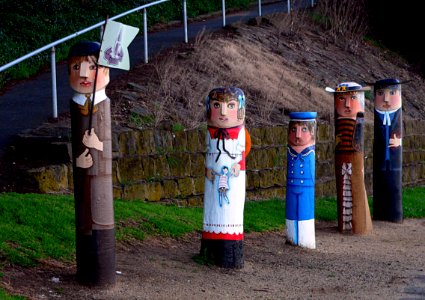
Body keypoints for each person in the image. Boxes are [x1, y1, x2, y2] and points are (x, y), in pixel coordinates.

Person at [68, 41, 115, 286]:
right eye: (77, 66)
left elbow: (107, 151)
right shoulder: (76, 106)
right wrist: (78, 159)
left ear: (106, 71)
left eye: (92, 66)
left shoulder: (103, 105)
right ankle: (86, 272)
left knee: (101, 227)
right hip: (84, 189)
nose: (84, 73)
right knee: (85, 226)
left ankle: (103, 273)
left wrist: (97, 145)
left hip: (101, 193)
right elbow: (75, 140)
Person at [201, 87, 251, 268]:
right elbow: (208, 154)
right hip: (213, 183)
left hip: (232, 183)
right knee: (213, 210)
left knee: (230, 212)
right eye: (216, 105)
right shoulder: (209, 132)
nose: (222, 113)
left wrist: (238, 166)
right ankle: (209, 249)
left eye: (230, 106)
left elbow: (243, 153)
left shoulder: (239, 134)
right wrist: (208, 169)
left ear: (240, 109)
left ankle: (230, 255)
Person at [326, 82, 372, 234]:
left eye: (353, 98)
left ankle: (358, 225)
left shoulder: (358, 122)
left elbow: (357, 145)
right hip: (342, 161)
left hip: (355, 161)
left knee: (355, 190)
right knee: (344, 192)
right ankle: (346, 225)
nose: (347, 104)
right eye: (341, 99)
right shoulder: (339, 122)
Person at [373, 78, 404, 223]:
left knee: (393, 186)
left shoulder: (397, 116)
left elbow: (398, 133)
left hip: (394, 159)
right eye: (380, 93)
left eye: (392, 93)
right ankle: (379, 213)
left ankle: (394, 214)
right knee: (379, 185)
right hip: (380, 159)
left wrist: (398, 141)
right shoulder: (377, 117)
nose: (386, 99)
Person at [286, 112, 317, 249]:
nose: (297, 135)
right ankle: (292, 237)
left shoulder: (310, 152)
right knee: (292, 213)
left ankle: (305, 240)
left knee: (305, 213)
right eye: (293, 130)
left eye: (304, 129)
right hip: (291, 185)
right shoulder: (290, 151)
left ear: (312, 132)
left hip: (306, 188)